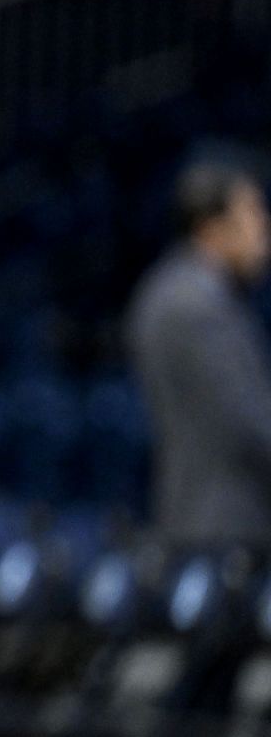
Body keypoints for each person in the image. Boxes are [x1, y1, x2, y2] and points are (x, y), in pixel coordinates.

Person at [125, 161, 271, 549]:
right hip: (223, 523)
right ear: (212, 227)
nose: (263, 233)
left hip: (204, 515)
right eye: (253, 214)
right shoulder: (195, 305)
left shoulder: (175, 290)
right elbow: (248, 421)